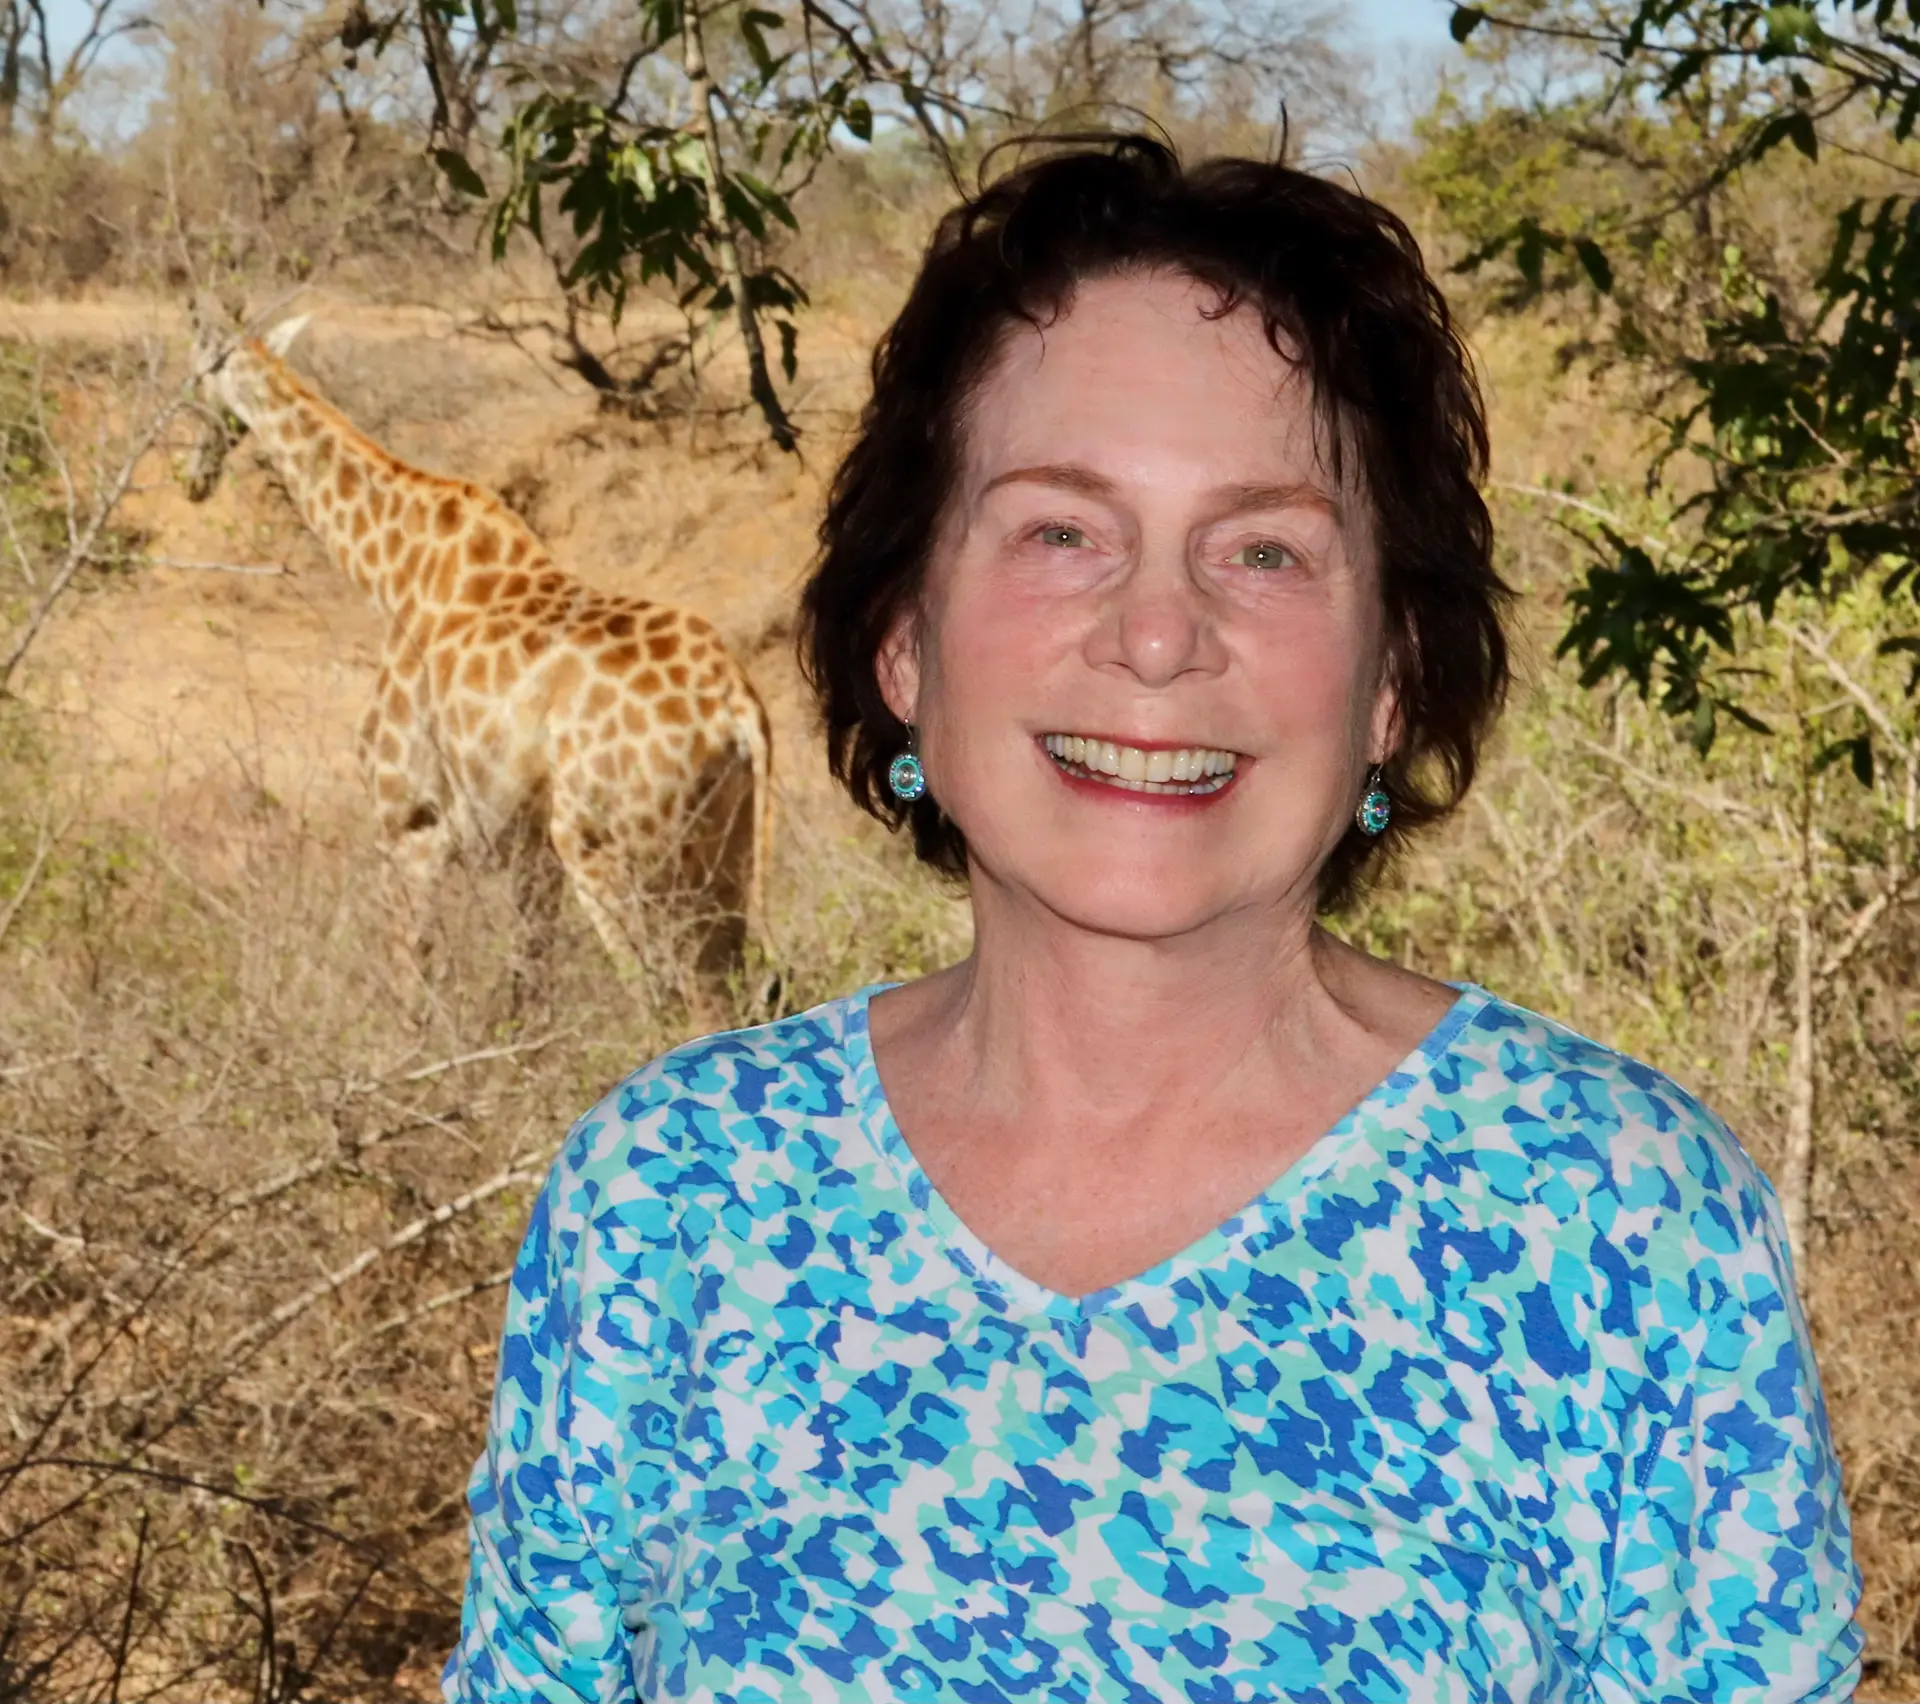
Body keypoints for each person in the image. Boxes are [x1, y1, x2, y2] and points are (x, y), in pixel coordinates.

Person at [442, 136, 1863, 1703]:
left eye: (1265, 549)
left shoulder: (1622, 1224)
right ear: (903, 638)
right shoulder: (674, 1195)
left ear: (1391, 680)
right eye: (1063, 530)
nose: (1161, 632)